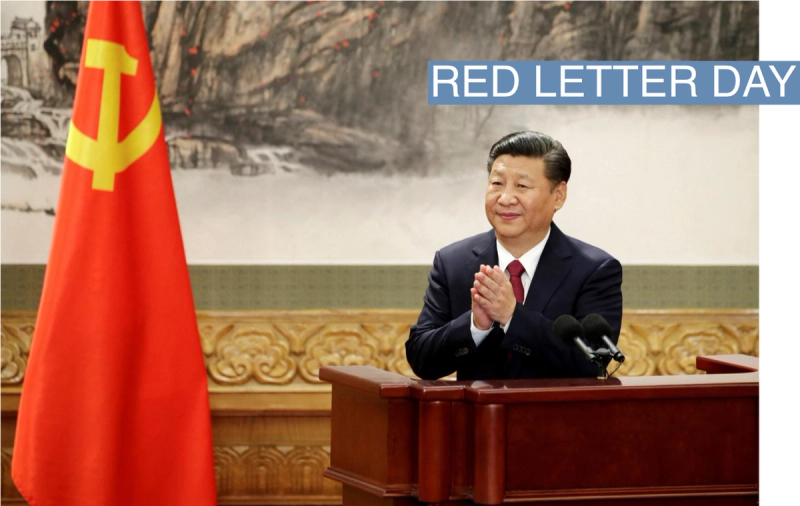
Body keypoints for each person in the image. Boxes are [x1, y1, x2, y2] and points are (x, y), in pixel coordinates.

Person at [405, 131, 623, 380]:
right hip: (477, 417)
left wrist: (512, 315)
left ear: (558, 195)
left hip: (558, 418)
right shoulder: (453, 262)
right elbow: (421, 359)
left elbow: (592, 362)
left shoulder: (594, 270)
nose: (505, 198)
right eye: (497, 184)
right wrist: (475, 325)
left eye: (522, 186)